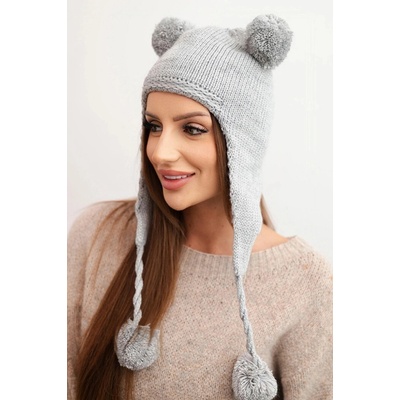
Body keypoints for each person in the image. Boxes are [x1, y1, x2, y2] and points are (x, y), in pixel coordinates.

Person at [68, 14, 332, 400]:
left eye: (192, 129)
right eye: (154, 126)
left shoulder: (305, 283)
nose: (161, 152)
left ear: (243, 144)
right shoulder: (96, 235)